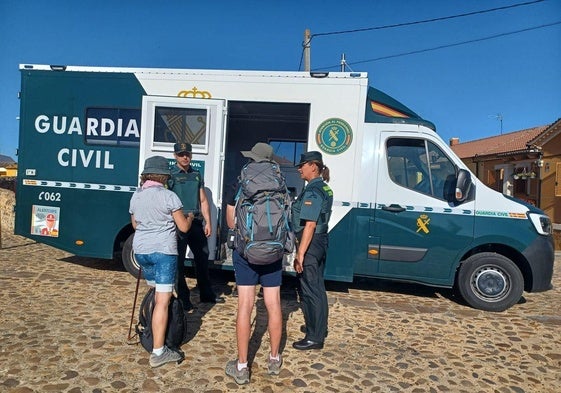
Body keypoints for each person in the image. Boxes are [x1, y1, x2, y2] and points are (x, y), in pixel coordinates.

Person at [224, 142, 284, 385]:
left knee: (245, 306)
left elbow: (230, 222)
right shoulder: (279, 184)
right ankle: (274, 359)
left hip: (246, 252)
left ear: (254, 159)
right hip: (273, 251)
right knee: (273, 304)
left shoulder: (239, 182)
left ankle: (241, 367)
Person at [129, 155, 194, 368]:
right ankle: (159, 352)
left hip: (141, 251)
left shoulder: (136, 197)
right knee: (163, 301)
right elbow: (183, 227)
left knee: (157, 296)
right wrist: (191, 217)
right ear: (164, 176)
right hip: (163, 252)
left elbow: (136, 225)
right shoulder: (169, 197)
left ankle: (156, 334)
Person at [169, 142, 224, 310]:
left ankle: (206, 294)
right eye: (181, 154)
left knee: (202, 258)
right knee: (178, 262)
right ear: (175, 156)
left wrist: (208, 222)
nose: (185, 157)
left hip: (195, 221)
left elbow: (203, 200)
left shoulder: (197, 174)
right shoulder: (170, 175)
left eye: (187, 154)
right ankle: (184, 300)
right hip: (178, 222)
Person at [291, 151, 333, 351]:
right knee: (317, 287)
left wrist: (300, 253)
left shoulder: (313, 190)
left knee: (309, 290)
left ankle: (314, 337)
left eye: (303, 165)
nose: (299, 169)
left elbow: (309, 224)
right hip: (320, 241)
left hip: (311, 242)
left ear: (313, 166)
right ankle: (318, 327)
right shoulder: (323, 187)